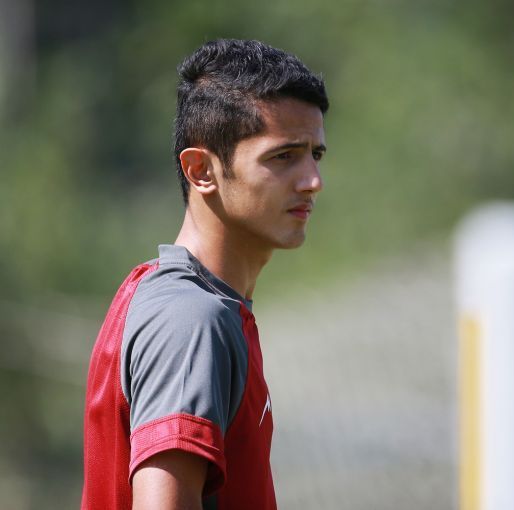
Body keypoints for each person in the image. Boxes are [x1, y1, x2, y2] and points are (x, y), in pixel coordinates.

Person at [81, 38, 329, 509]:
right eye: (283, 156)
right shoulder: (190, 320)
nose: (312, 180)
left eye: (316, 154)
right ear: (201, 170)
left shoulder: (204, 306)